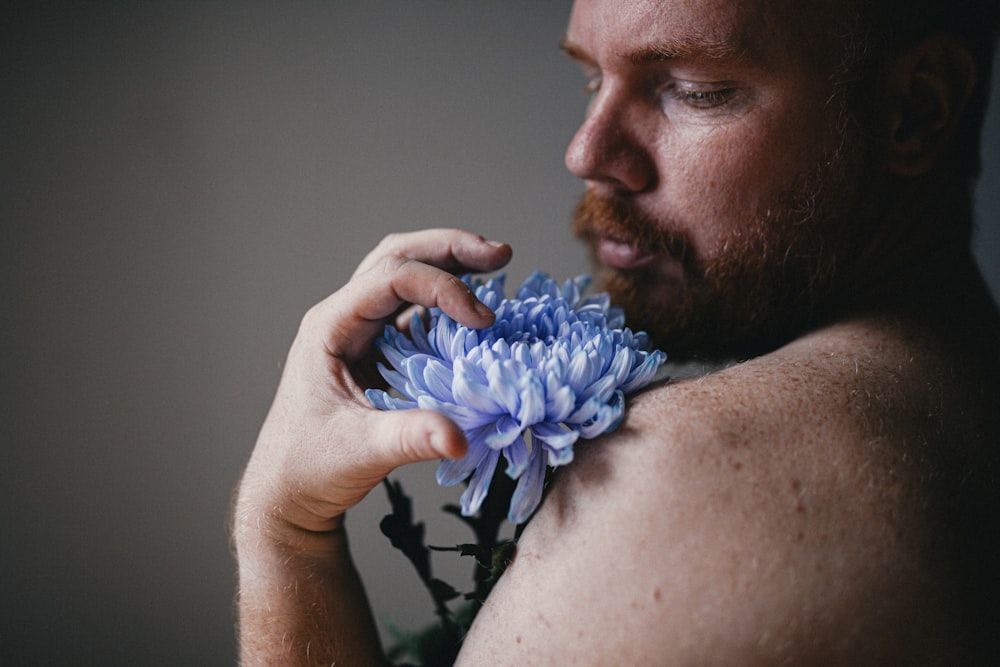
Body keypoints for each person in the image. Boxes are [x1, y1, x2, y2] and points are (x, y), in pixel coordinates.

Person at [232, 0, 1000, 663]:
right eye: (592, 77)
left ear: (917, 110)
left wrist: (287, 540)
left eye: (694, 91)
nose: (586, 152)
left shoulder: (682, 482)